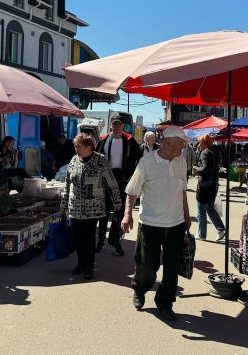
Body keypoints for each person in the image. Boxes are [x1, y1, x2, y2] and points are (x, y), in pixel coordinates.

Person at [121, 126, 192, 322]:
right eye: (181, 143)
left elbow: (183, 191)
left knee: (171, 269)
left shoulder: (181, 161)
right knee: (147, 265)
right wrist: (127, 215)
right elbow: (132, 191)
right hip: (150, 224)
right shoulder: (147, 162)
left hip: (176, 224)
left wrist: (186, 216)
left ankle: (165, 303)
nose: (184, 146)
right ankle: (140, 288)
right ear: (168, 143)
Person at [61, 133, 122, 279]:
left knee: (88, 239)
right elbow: (68, 183)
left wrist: (117, 200)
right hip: (75, 207)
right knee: (77, 238)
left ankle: (89, 266)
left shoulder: (101, 160)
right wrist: (64, 203)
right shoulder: (74, 160)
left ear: (89, 147)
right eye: (75, 146)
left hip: (93, 207)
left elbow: (111, 182)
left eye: (79, 147)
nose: (76, 150)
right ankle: (80, 263)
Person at [96, 113, 143, 256]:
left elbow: (140, 160)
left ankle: (115, 242)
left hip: (122, 182)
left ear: (123, 126)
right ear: (110, 125)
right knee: (103, 213)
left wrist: (132, 176)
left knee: (120, 213)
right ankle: (100, 241)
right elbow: (95, 157)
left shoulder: (129, 140)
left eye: (119, 124)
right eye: (114, 124)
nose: (116, 126)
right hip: (105, 182)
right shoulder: (103, 140)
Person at [192, 134, 226, 241]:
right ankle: (221, 229)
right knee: (210, 208)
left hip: (204, 185)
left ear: (203, 143)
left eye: (199, 142)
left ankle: (202, 234)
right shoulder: (216, 152)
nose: (198, 144)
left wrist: (197, 169)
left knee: (201, 209)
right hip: (213, 183)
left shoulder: (205, 153)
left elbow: (206, 168)